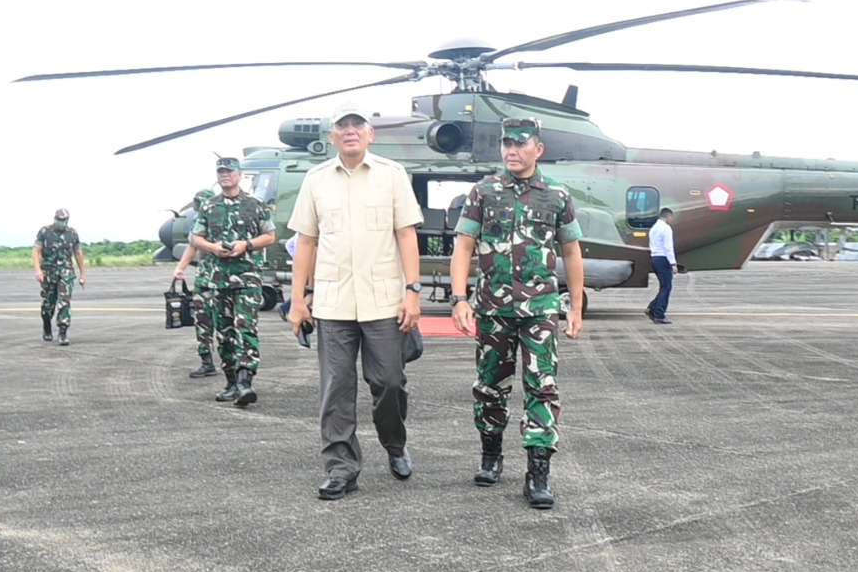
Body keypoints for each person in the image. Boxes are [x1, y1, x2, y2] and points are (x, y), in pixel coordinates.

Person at [288, 103, 424, 500]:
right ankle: (341, 467)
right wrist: (298, 300)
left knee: (389, 382)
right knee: (336, 389)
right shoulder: (315, 180)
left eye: (357, 125)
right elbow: (306, 243)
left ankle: (394, 444)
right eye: (342, 126)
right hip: (332, 303)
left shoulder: (392, 175)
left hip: (383, 300)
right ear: (332, 137)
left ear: (370, 134)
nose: (350, 131)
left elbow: (406, 235)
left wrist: (412, 292)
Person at [450, 117, 584, 510]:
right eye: (507, 144)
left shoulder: (557, 195)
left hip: (541, 309)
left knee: (542, 387)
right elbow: (464, 245)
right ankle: (491, 455)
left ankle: (538, 472)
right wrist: (460, 299)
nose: (511, 150)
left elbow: (572, 251)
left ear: (537, 149)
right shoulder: (483, 192)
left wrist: (574, 306)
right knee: (490, 386)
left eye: (520, 144)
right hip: (493, 309)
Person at [190, 157, 276, 405]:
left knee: (245, 327)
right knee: (225, 332)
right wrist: (213, 247)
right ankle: (230, 381)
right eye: (221, 172)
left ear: (239, 175)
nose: (225, 175)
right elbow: (197, 238)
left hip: (247, 277)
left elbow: (269, 236)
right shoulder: (209, 207)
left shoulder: (255, 205)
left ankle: (245, 381)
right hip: (218, 280)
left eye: (229, 171)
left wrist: (246, 245)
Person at [173, 187, 219, 377]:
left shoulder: (221, 219)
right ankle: (208, 363)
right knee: (202, 320)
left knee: (222, 324)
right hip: (206, 278)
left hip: (223, 279)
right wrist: (181, 268)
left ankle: (227, 364)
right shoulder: (199, 222)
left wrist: (181, 268)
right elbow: (193, 246)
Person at [33, 208, 87, 345]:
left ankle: (63, 332)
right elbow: (36, 251)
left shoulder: (72, 234)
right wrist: (38, 270)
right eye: (60, 220)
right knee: (48, 303)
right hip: (48, 272)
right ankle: (46, 325)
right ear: (55, 219)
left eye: (64, 220)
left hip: (66, 272)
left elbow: (78, 253)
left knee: (64, 302)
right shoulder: (45, 232)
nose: (62, 223)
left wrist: (83, 274)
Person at [645, 207, 676, 324]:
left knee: (663, 286)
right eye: (671, 217)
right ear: (667, 217)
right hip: (663, 259)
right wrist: (673, 263)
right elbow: (668, 247)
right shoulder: (666, 229)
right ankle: (659, 314)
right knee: (667, 287)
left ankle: (653, 308)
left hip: (654, 258)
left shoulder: (654, 228)